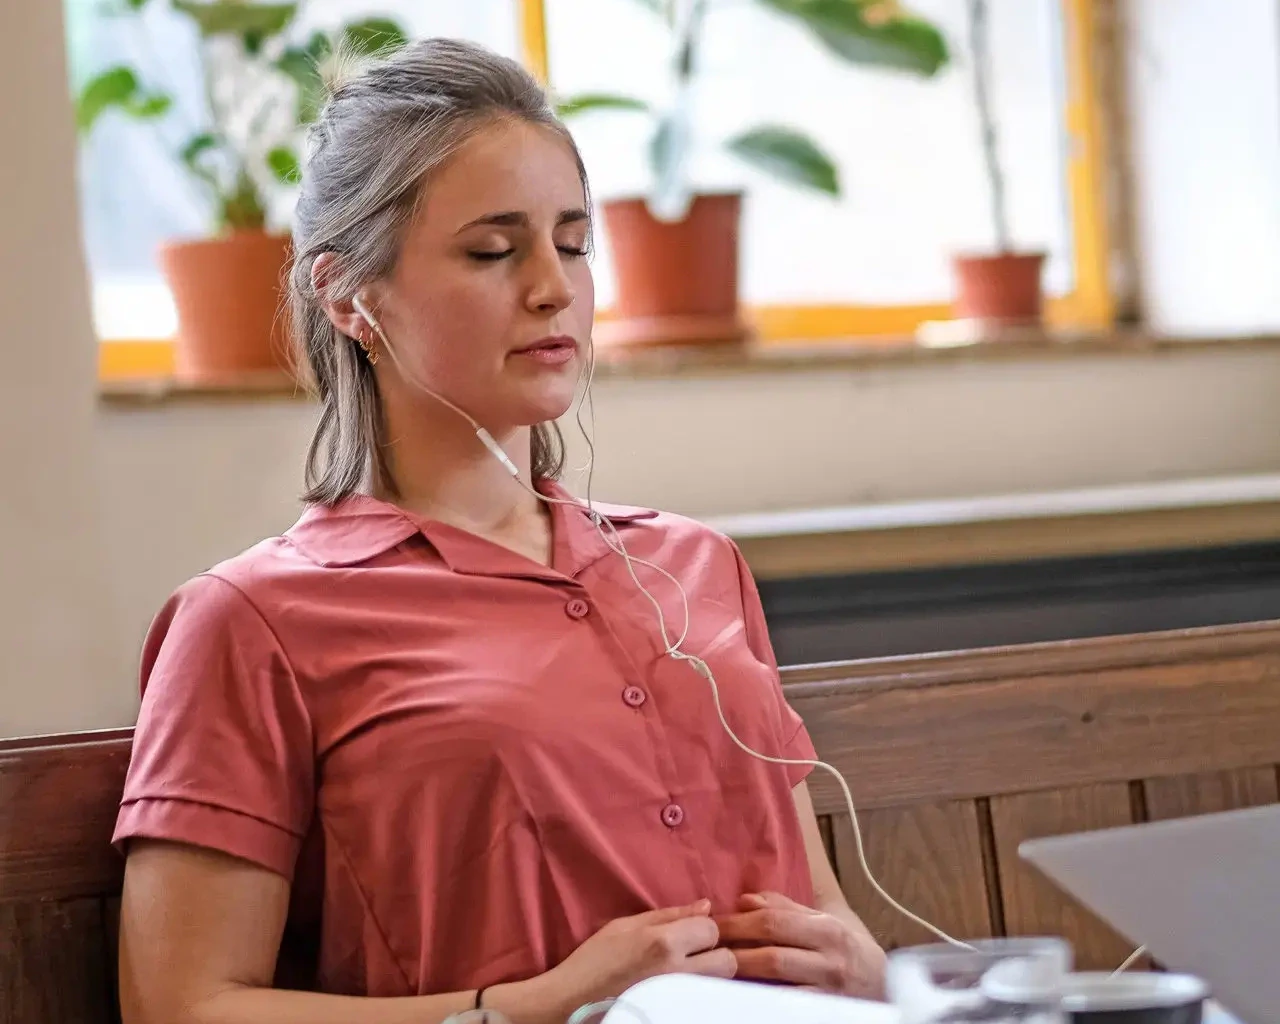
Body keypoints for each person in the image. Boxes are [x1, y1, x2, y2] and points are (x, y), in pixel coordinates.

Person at [113, 37, 885, 1024]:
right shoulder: (250, 620)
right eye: (492, 249)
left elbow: (817, 909)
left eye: (571, 243)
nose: (551, 286)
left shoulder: (694, 562)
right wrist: (531, 1006)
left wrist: (872, 974)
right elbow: (180, 1006)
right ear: (346, 293)